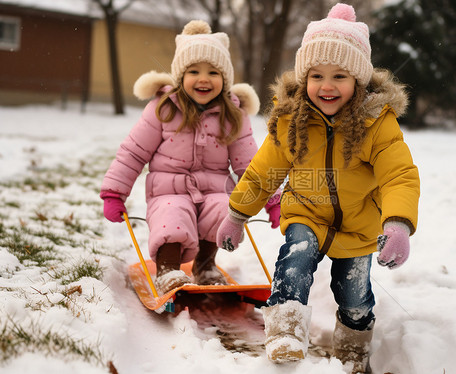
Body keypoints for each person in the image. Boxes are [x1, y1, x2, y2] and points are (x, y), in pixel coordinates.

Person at [215, 3, 420, 373]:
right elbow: (263, 172)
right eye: (317, 75)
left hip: (359, 226)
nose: (326, 86)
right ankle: (286, 332)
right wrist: (236, 215)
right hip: (306, 213)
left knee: (354, 296)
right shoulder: (292, 121)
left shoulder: (377, 124)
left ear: (358, 80)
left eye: (340, 76)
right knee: (295, 259)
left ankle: (353, 352)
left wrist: (398, 224)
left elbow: (399, 175)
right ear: (304, 77)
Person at [100, 20, 278, 295]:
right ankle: (168, 270)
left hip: (215, 190)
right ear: (180, 76)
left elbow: (252, 167)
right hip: (168, 191)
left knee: (226, 209)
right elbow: (133, 153)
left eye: (213, 72)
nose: (203, 79)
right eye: (194, 71)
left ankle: (205, 265)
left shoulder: (233, 116)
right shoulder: (163, 109)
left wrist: (272, 201)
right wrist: (114, 192)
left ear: (225, 79)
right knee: (173, 213)